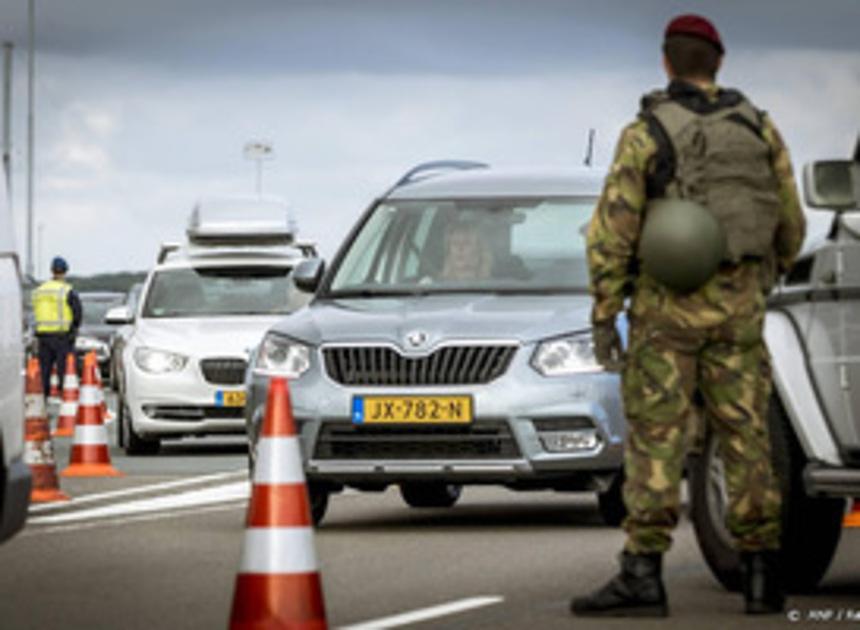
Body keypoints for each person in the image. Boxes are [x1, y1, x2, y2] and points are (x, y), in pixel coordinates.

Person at [572, 14, 805, 617]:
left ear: (667, 64)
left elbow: (612, 232)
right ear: (719, 63)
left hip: (668, 311)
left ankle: (643, 573)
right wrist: (758, 279)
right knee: (746, 434)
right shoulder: (759, 129)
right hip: (740, 310)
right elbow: (791, 223)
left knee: (656, 437)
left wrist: (606, 309)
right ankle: (760, 573)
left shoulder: (646, 132)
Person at [32, 256, 82, 397]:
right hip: (62, 337)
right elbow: (77, 312)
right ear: (65, 271)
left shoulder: (39, 291)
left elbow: (35, 312)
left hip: (43, 337)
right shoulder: (67, 290)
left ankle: (43, 399)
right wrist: (74, 329)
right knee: (64, 370)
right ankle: (65, 397)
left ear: (52, 270)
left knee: (44, 371)